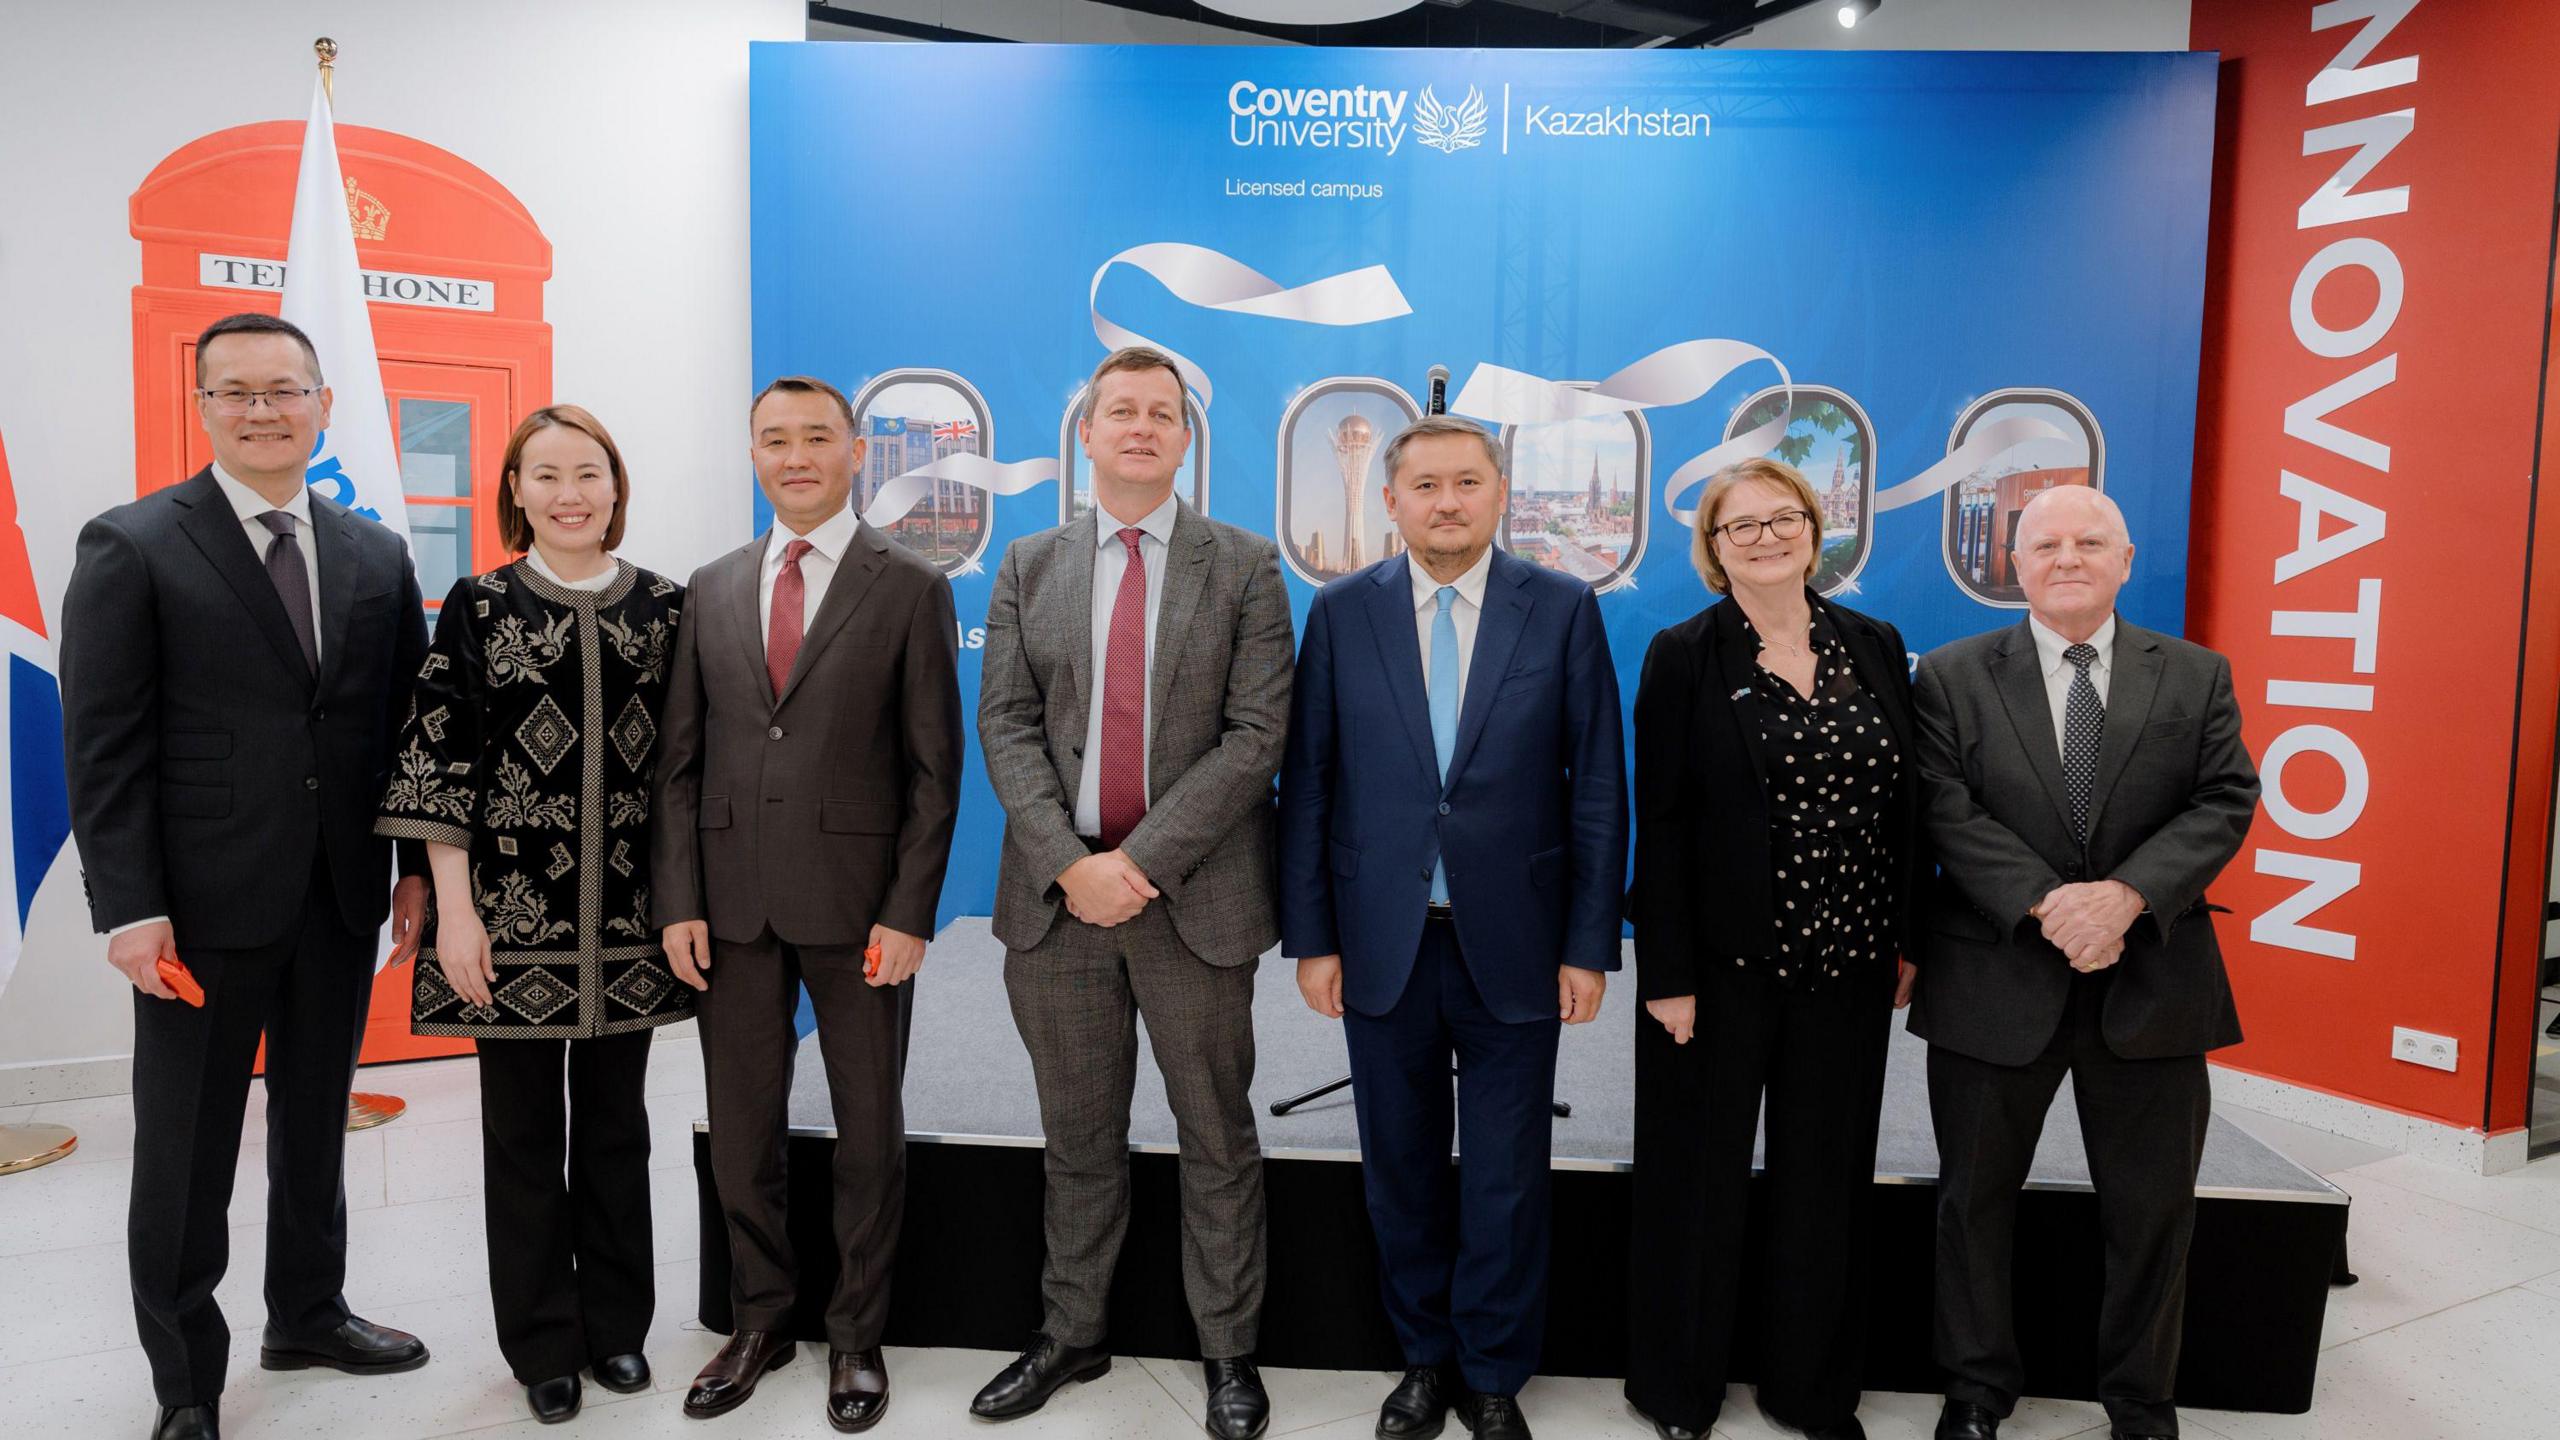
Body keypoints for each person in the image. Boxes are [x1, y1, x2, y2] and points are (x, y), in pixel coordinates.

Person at [59, 312, 433, 1440]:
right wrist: (129, 907)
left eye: (286, 390)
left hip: (338, 890)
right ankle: (186, 1380)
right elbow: (105, 743)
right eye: (238, 392)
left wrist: (414, 873)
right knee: (185, 1146)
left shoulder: (375, 554)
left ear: (323, 405)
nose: (264, 410)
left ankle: (309, 1312)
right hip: (199, 906)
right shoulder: (133, 544)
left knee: (318, 1121)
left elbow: (405, 732)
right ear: (204, 407)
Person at [1278, 413, 1627, 1440]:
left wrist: (1587, 942)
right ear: (1390, 501)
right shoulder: (1341, 613)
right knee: (1400, 1164)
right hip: (1380, 940)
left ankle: (1491, 1372)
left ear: (1497, 493)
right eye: (1424, 484)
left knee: (1509, 1175)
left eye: (1465, 483)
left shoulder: (1560, 609)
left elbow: (1598, 785)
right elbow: (1307, 784)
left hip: (1515, 943)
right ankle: (1422, 1359)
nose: (1445, 501)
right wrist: (1312, 937)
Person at [970, 345, 1293, 1440]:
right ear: (1088, 431)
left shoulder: (1244, 565)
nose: (1142, 427)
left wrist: (1139, 864)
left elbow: (1256, 738)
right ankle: (1071, 1334)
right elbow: (1006, 724)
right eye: (1122, 410)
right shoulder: (1027, 563)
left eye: (1163, 412)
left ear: (1185, 438)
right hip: (1058, 902)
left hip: (1192, 902)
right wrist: (1073, 864)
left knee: (1216, 1134)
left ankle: (1229, 1353)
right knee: (1078, 1137)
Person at [1909, 485, 2258, 1440]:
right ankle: (1977, 1389)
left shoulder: (2194, 674)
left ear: (2127, 558)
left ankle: (2140, 1401)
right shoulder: (1947, 676)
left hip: (2152, 983)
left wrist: (2127, 897)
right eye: (2046, 543)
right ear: (2013, 564)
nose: (2068, 557)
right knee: (1971, 1203)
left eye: (2090, 541)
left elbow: (2224, 800)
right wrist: (2049, 903)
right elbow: (1943, 807)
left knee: (2152, 1216)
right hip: (1995, 979)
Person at [650, 375, 964, 1433]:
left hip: (860, 906)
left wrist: (909, 910)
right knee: (743, 1129)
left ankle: (858, 1333)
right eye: (774, 440)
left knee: (869, 1128)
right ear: (753, 455)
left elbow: (933, 772)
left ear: (855, 449)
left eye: (816, 437)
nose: (795, 455)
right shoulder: (712, 584)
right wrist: (679, 898)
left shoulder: (911, 586)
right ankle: (760, 1319)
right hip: (729, 909)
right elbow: (680, 767)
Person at [374, 405, 693, 1424]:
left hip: (634, 924)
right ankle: (541, 1343)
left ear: (615, 486)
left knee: (616, 1132)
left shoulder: (667, 609)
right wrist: (455, 914)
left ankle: (618, 1331)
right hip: (507, 924)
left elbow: (690, 769)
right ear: (515, 489)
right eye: (545, 473)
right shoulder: (478, 605)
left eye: (588, 472)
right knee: (519, 1139)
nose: (569, 492)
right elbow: (437, 759)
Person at [1619, 458, 1922, 1440]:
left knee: (1824, 1189)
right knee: (1693, 1185)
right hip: (1713, 974)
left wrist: (1905, 938)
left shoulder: (1873, 645)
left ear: (1813, 527)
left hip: (1846, 968)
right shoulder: (1682, 655)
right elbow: (1656, 823)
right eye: (1735, 526)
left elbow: (1904, 810)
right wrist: (1663, 974)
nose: (1762, 537)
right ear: (1711, 550)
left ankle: (1810, 1389)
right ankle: (1679, 1390)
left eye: (1779, 518)